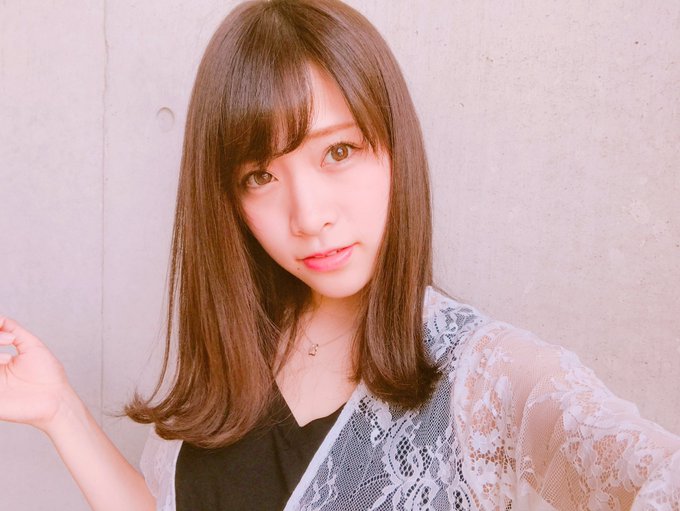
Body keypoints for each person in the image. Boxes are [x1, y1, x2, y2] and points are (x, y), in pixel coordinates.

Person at [1, 0, 679, 510]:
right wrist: (58, 408)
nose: (308, 216)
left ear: (395, 148)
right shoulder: (240, 353)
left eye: (338, 151)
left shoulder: (484, 375)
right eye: (260, 176)